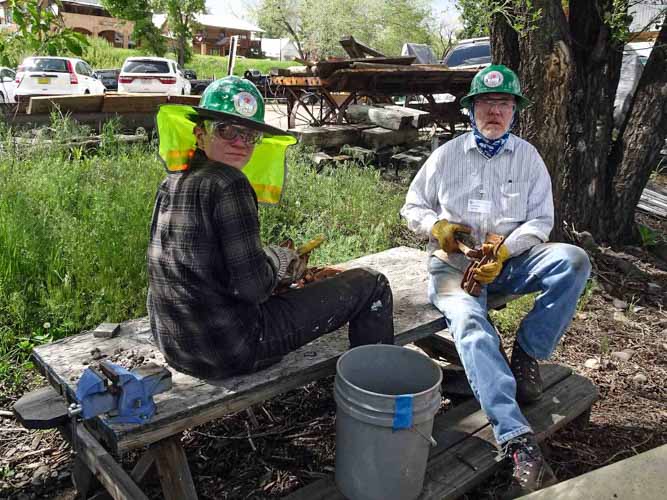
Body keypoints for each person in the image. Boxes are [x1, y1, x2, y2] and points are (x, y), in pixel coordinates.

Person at [400, 65, 591, 497]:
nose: (494, 111)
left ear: (514, 111)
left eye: (503, 104)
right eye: (486, 103)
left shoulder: (528, 158)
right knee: (470, 326)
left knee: (573, 260)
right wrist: (437, 227)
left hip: (510, 263)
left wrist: (505, 251)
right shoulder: (447, 155)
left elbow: (541, 220)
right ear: (471, 109)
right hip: (453, 266)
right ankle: (519, 444)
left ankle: (526, 356)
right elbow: (412, 206)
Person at [148, 76, 394, 380]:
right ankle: (376, 390)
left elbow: (197, 267)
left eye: (249, 134)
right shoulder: (229, 184)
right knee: (371, 283)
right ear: (200, 134)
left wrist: (265, 259)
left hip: (177, 347)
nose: (240, 142)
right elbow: (252, 289)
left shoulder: (171, 181)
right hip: (231, 351)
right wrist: (276, 261)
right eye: (226, 130)